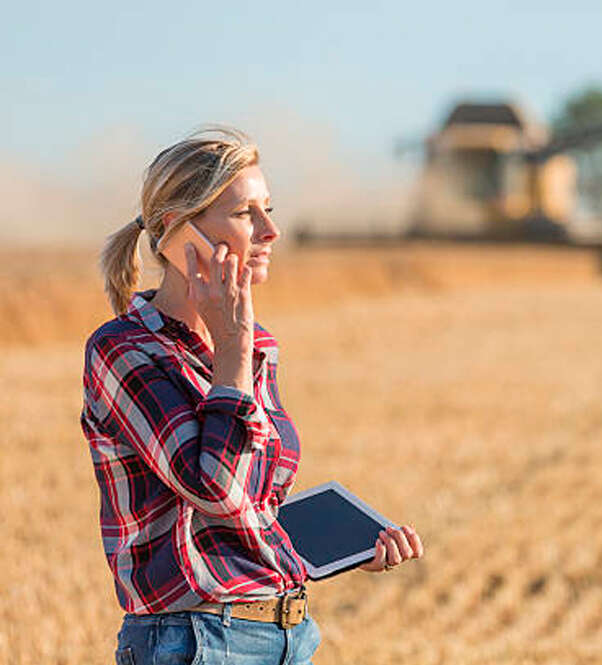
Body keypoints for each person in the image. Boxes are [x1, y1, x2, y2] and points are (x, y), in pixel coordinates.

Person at [80, 127, 424, 665]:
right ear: (177, 230)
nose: (272, 230)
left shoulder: (259, 345)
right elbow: (216, 490)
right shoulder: (125, 350)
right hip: (196, 640)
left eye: (268, 209)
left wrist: (343, 548)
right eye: (247, 215)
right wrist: (233, 349)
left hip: (290, 631)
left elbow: (255, 504)